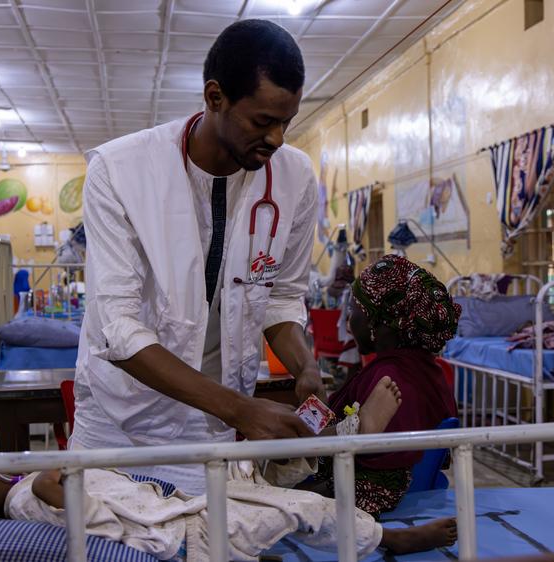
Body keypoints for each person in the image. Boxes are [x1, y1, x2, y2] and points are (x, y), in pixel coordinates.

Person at [72, 19, 324, 494]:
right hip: (119, 423)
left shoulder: (295, 178)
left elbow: (280, 297)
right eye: (262, 121)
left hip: (216, 421)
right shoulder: (119, 171)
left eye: (287, 122)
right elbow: (118, 327)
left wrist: (303, 363)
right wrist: (240, 409)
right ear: (215, 98)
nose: (277, 139)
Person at [0, 379, 457, 560]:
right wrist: (51, 465)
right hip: (190, 532)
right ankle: (388, 538)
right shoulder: (21, 501)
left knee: (254, 464)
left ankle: (338, 441)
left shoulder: (20, 493)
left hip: (178, 494)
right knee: (301, 506)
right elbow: (54, 487)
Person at [301, 255, 460, 517]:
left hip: (365, 502)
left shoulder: (389, 380)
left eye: (354, 310)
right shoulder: (428, 369)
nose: (349, 322)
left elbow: (373, 487)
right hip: (415, 492)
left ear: (381, 323)